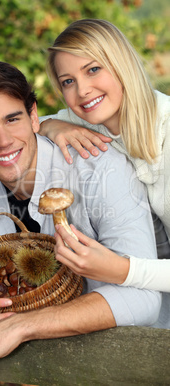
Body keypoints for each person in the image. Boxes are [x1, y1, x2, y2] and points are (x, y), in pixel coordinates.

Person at [0, 57, 161, 376]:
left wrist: (17, 327)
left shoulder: (101, 168)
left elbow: (144, 299)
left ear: (34, 116)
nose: (3, 141)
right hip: (38, 368)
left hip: (133, 363)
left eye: (12, 119)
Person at [38, 18, 170, 297]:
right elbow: (20, 127)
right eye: (68, 82)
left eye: (93, 69)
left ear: (121, 64)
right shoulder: (89, 119)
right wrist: (53, 126)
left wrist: (120, 270)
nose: (82, 91)